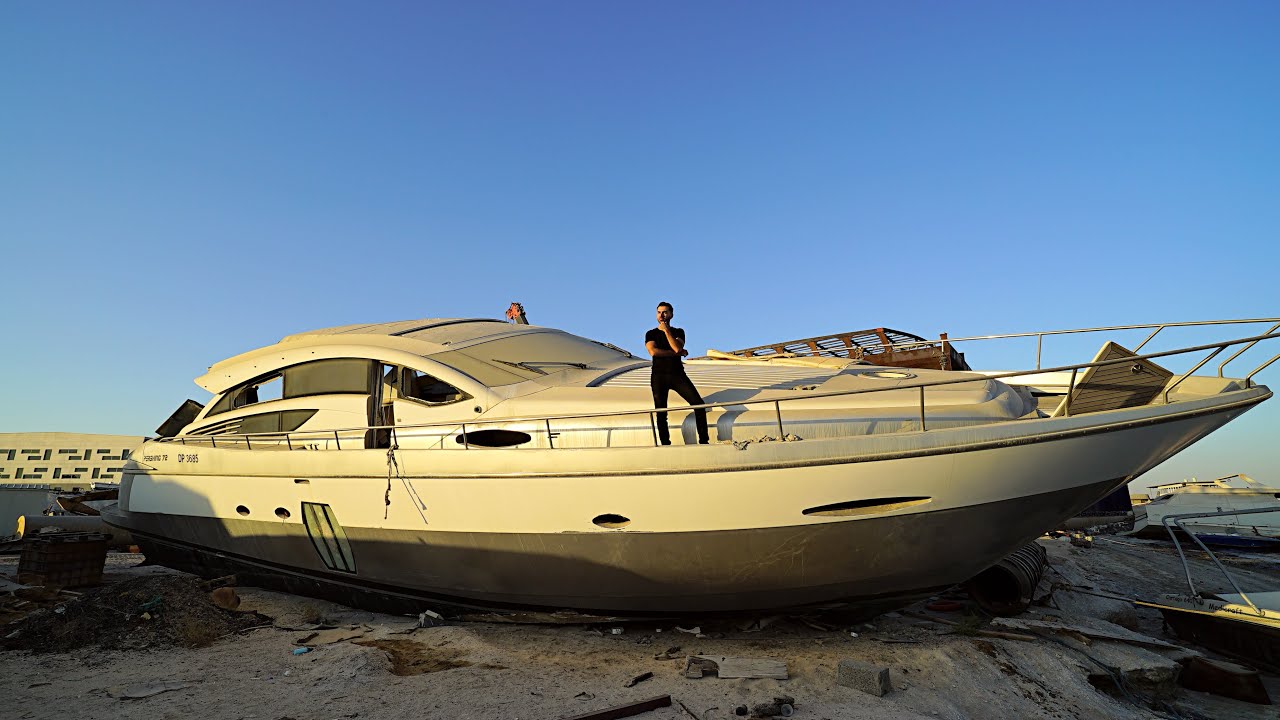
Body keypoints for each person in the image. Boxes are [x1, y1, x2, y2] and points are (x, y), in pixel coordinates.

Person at [645, 301, 710, 445]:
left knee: (699, 405)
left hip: (677, 375)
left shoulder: (678, 332)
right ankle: (665, 444)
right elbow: (653, 352)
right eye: (659, 312)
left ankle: (704, 441)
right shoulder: (651, 333)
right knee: (661, 412)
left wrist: (667, 331)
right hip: (658, 376)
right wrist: (677, 353)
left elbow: (676, 347)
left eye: (665, 312)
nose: (661, 315)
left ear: (671, 314)